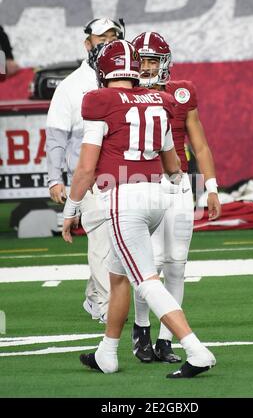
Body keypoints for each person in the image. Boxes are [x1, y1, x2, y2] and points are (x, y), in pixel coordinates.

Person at [62, 39, 217, 378]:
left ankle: (196, 349)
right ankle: (107, 353)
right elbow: (173, 163)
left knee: (146, 280)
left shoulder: (98, 100)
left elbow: (86, 168)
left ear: (104, 69)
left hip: (123, 197)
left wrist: (70, 208)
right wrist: (181, 190)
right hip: (159, 195)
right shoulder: (161, 100)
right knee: (119, 277)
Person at [130, 32, 222, 363]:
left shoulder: (182, 93)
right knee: (147, 263)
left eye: (153, 60)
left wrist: (211, 187)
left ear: (165, 63)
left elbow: (199, 145)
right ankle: (140, 330)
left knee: (176, 265)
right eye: (141, 61)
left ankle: (165, 339)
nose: (146, 67)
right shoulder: (123, 94)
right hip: (140, 183)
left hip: (178, 183)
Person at [46, 17, 125, 323]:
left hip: (123, 175)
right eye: (100, 38)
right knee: (102, 238)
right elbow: (56, 135)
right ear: (87, 43)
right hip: (89, 177)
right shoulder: (71, 86)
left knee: (119, 241)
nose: (105, 42)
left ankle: (94, 297)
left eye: (112, 37)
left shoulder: (126, 81)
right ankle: (106, 304)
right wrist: (54, 178)